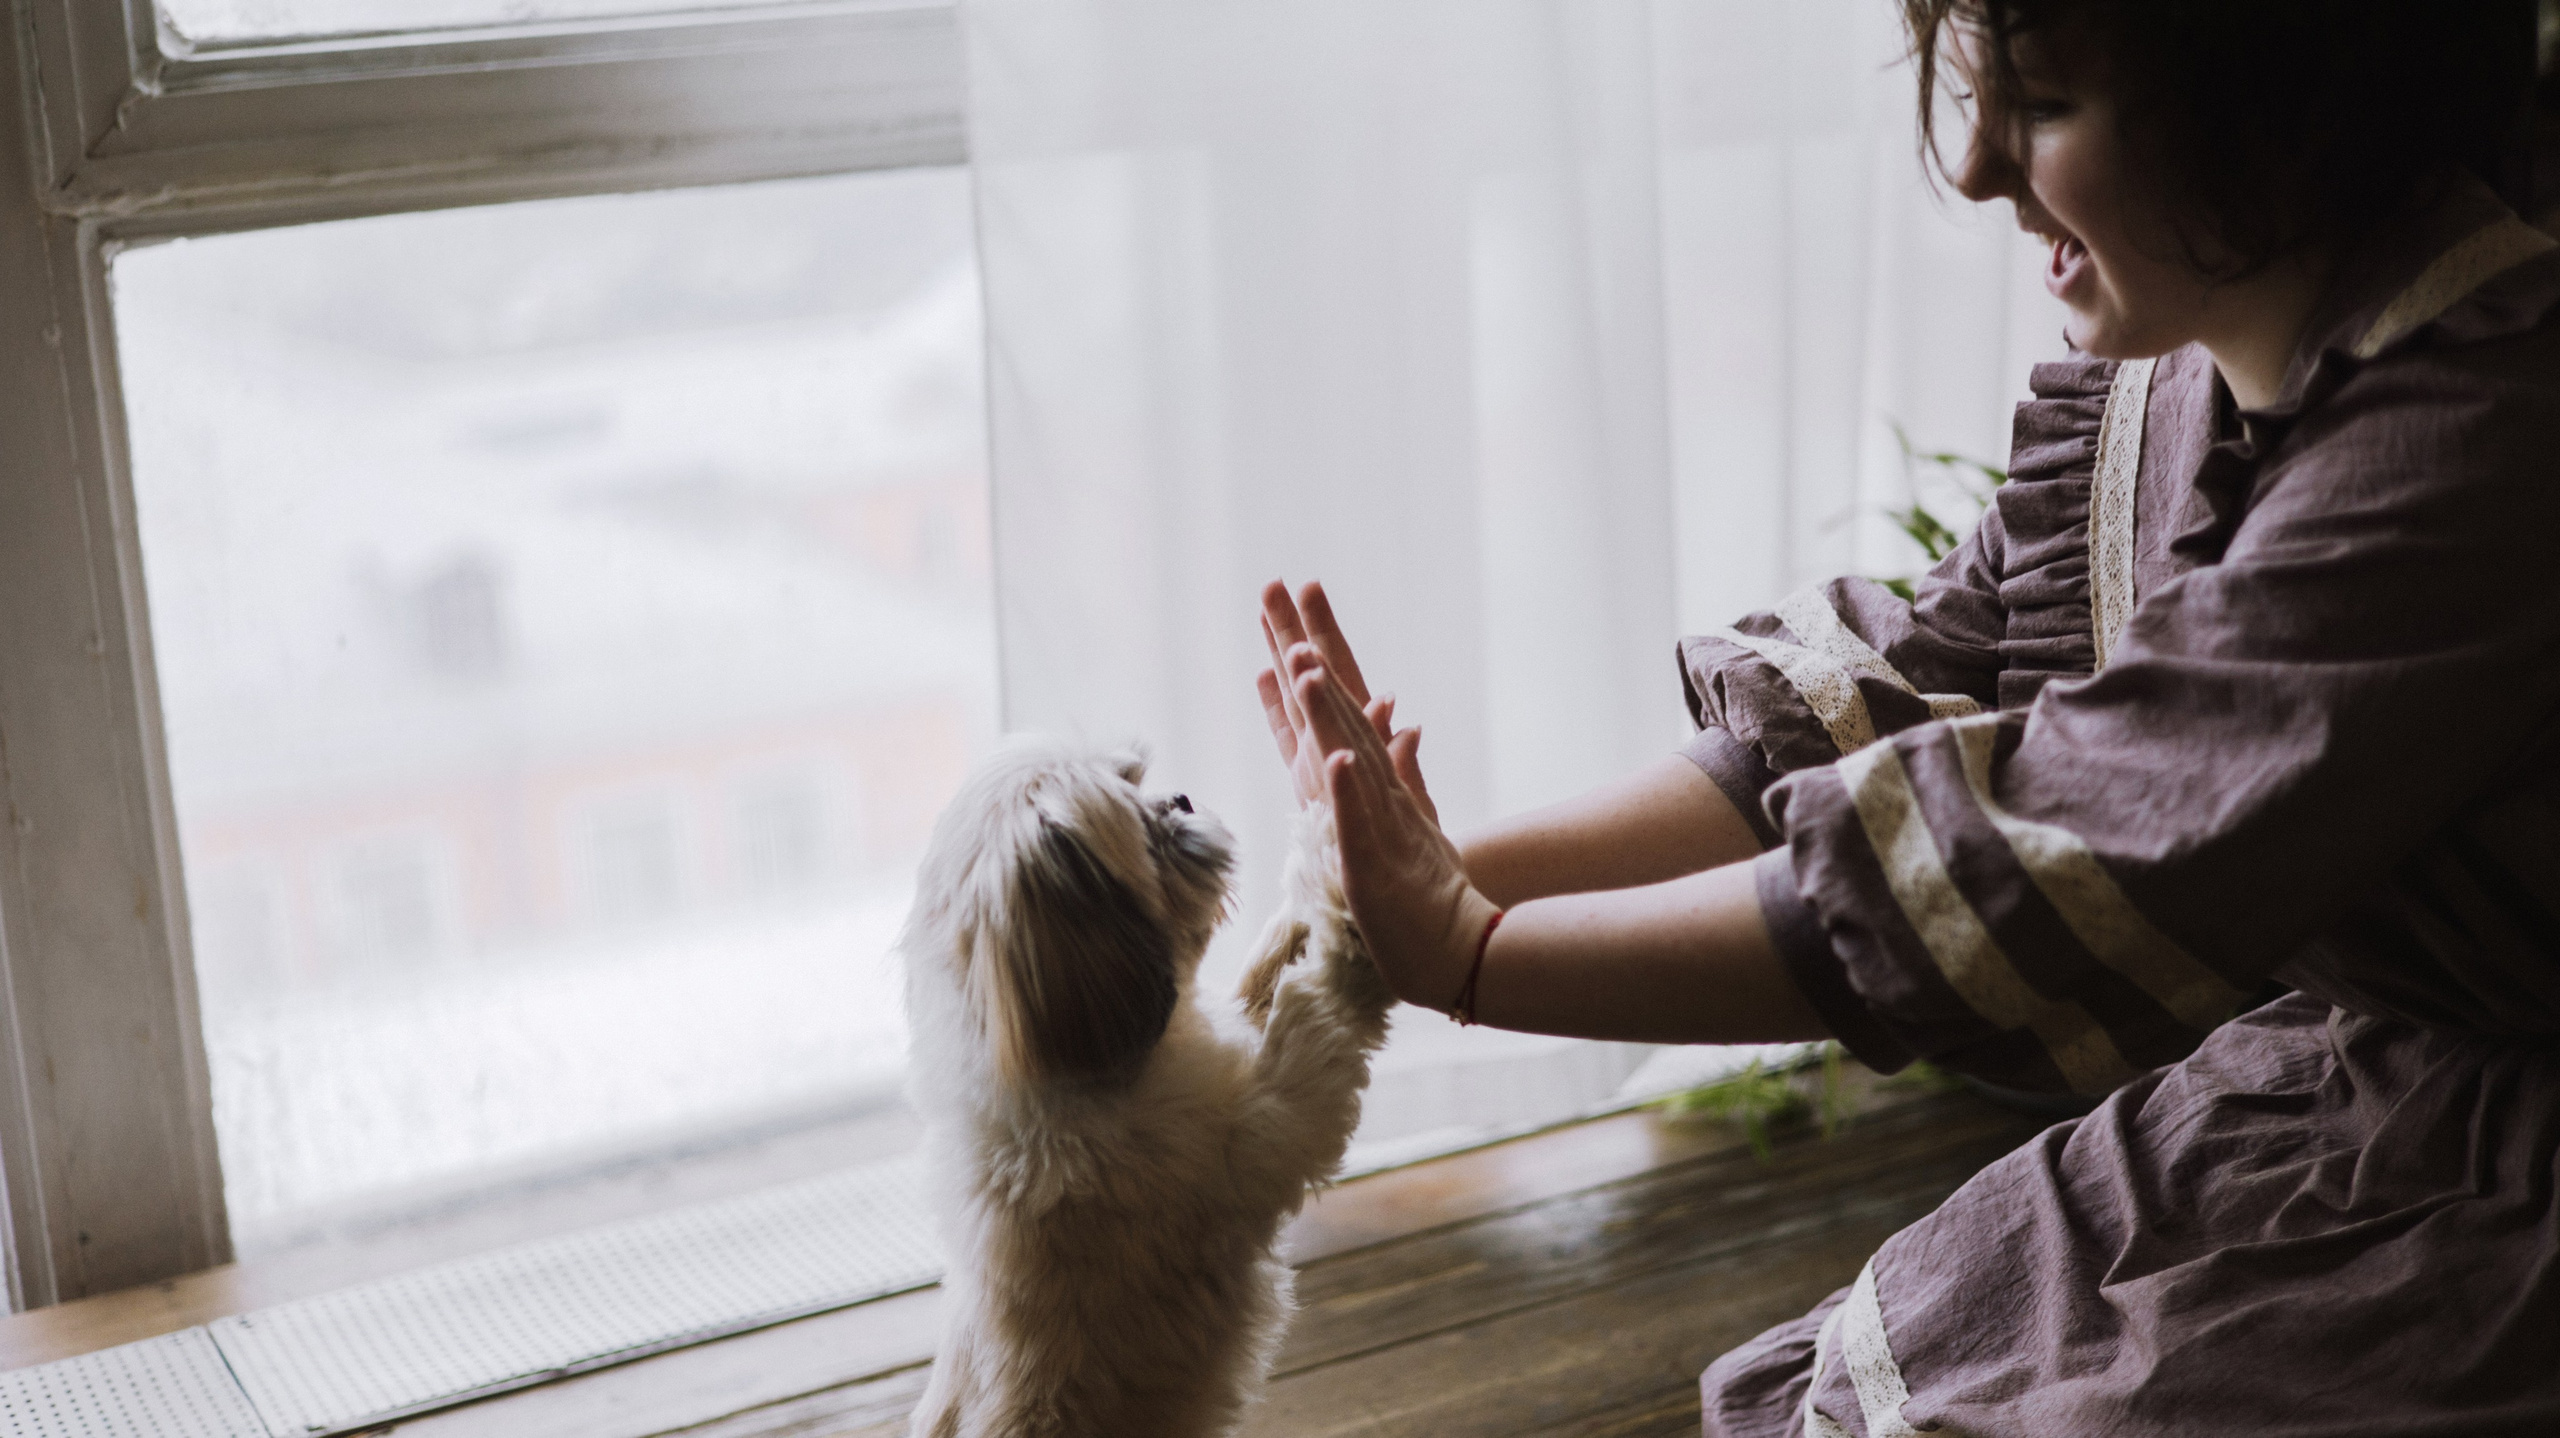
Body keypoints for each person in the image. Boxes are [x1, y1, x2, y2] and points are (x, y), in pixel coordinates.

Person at [1255, 0, 2560, 1432]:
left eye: (2047, 104)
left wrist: (1473, 956)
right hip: (2370, 1085)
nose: (1980, 168)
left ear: (2284, 112)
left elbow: (2037, 859)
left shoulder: (2464, 451)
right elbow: (1939, 664)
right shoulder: (2197, 358)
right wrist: (1449, 879)